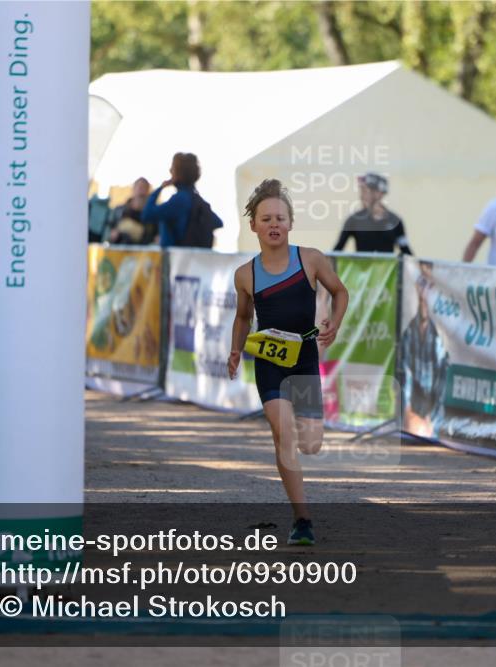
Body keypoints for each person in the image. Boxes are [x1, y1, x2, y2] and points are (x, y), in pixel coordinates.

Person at [228, 179, 349, 547]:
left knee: (310, 444)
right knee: (284, 434)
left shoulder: (310, 259)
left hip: (304, 357)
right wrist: (235, 350)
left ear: (291, 222)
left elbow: (340, 291)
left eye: (280, 218)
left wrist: (334, 323)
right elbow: (243, 317)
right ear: (253, 225)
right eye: (266, 219)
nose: (273, 224)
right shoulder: (245, 274)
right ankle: (302, 519)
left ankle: (298, 438)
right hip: (269, 361)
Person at [401, 261, 449, 437]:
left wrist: (431, 422)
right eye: (421, 283)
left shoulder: (441, 334)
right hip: (411, 416)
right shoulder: (408, 332)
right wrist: (407, 412)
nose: (424, 291)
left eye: (428, 284)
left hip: (432, 420)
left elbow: (442, 386)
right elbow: (405, 376)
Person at [143, 152, 220, 248]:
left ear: (179, 173)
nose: (170, 171)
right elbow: (217, 222)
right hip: (193, 255)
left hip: (177, 255)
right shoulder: (196, 198)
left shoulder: (179, 200)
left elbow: (147, 214)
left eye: (173, 168)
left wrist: (160, 188)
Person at [333, 173, 413, 255]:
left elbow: (406, 250)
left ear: (380, 193)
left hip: (386, 264)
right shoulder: (353, 220)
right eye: (362, 191)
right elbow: (336, 251)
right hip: (362, 264)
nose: (362, 196)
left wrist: (417, 262)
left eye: (366, 191)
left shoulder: (395, 220)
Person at [109, 177, 156, 245]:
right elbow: (110, 231)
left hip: (142, 249)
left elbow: (155, 237)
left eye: (144, 188)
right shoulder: (119, 211)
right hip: (120, 249)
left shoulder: (152, 214)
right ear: (133, 189)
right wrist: (114, 234)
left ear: (148, 192)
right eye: (139, 187)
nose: (141, 191)